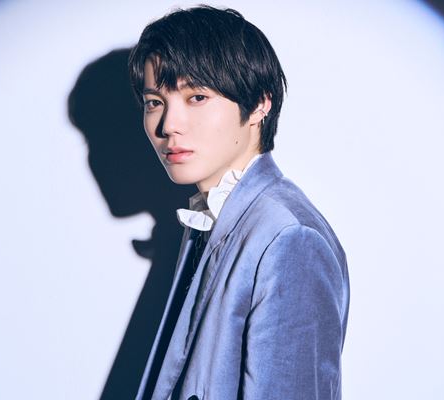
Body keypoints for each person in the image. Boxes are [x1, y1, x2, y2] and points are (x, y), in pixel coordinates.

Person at [128, 6, 349, 400]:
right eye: (154, 102)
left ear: (260, 104)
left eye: (196, 97)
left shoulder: (289, 238)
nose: (168, 125)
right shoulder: (214, 214)